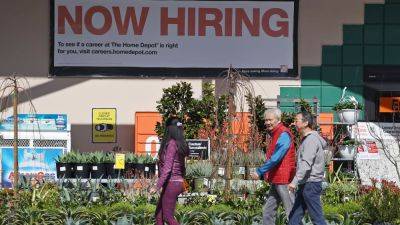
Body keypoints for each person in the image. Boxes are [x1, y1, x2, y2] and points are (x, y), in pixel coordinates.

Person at [251, 108, 297, 225]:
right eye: (266, 120)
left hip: (284, 179)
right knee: (268, 212)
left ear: (278, 120)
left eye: (270, 120)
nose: (267, 122)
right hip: (277, 178)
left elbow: (276, 157)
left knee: (290, 210)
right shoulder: (276, 134)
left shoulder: (283, 134)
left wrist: (260, 171)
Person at [288, 111, 327, 225]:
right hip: (306, 184)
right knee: (294, 217)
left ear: (305, 123)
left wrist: (294, 181)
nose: (294, 123)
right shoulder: (307, 139)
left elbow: (306, 164)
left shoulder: (311, 140)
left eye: (296, 121)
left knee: (317, 218)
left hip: (311, 184)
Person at [150, 117, 189, 225]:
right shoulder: (179, 143)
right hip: (176, 182)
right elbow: (182, 167)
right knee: (159, 216)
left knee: (168, 217)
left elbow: (167, 169)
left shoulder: (172, 144)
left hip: (172, 183)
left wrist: (156, 187)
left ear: (169, 129)